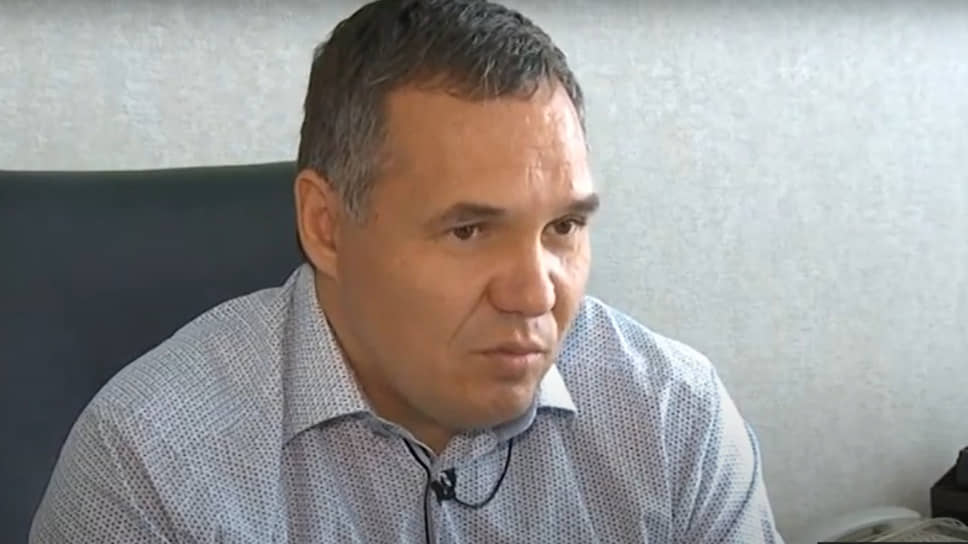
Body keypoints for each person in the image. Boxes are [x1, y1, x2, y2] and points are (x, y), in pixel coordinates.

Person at [30, 0, 784, 542]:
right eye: (468, 230)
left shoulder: (673, 418)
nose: (534, 296)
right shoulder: (148, 470)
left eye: (563, 228)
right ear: (326, 226)